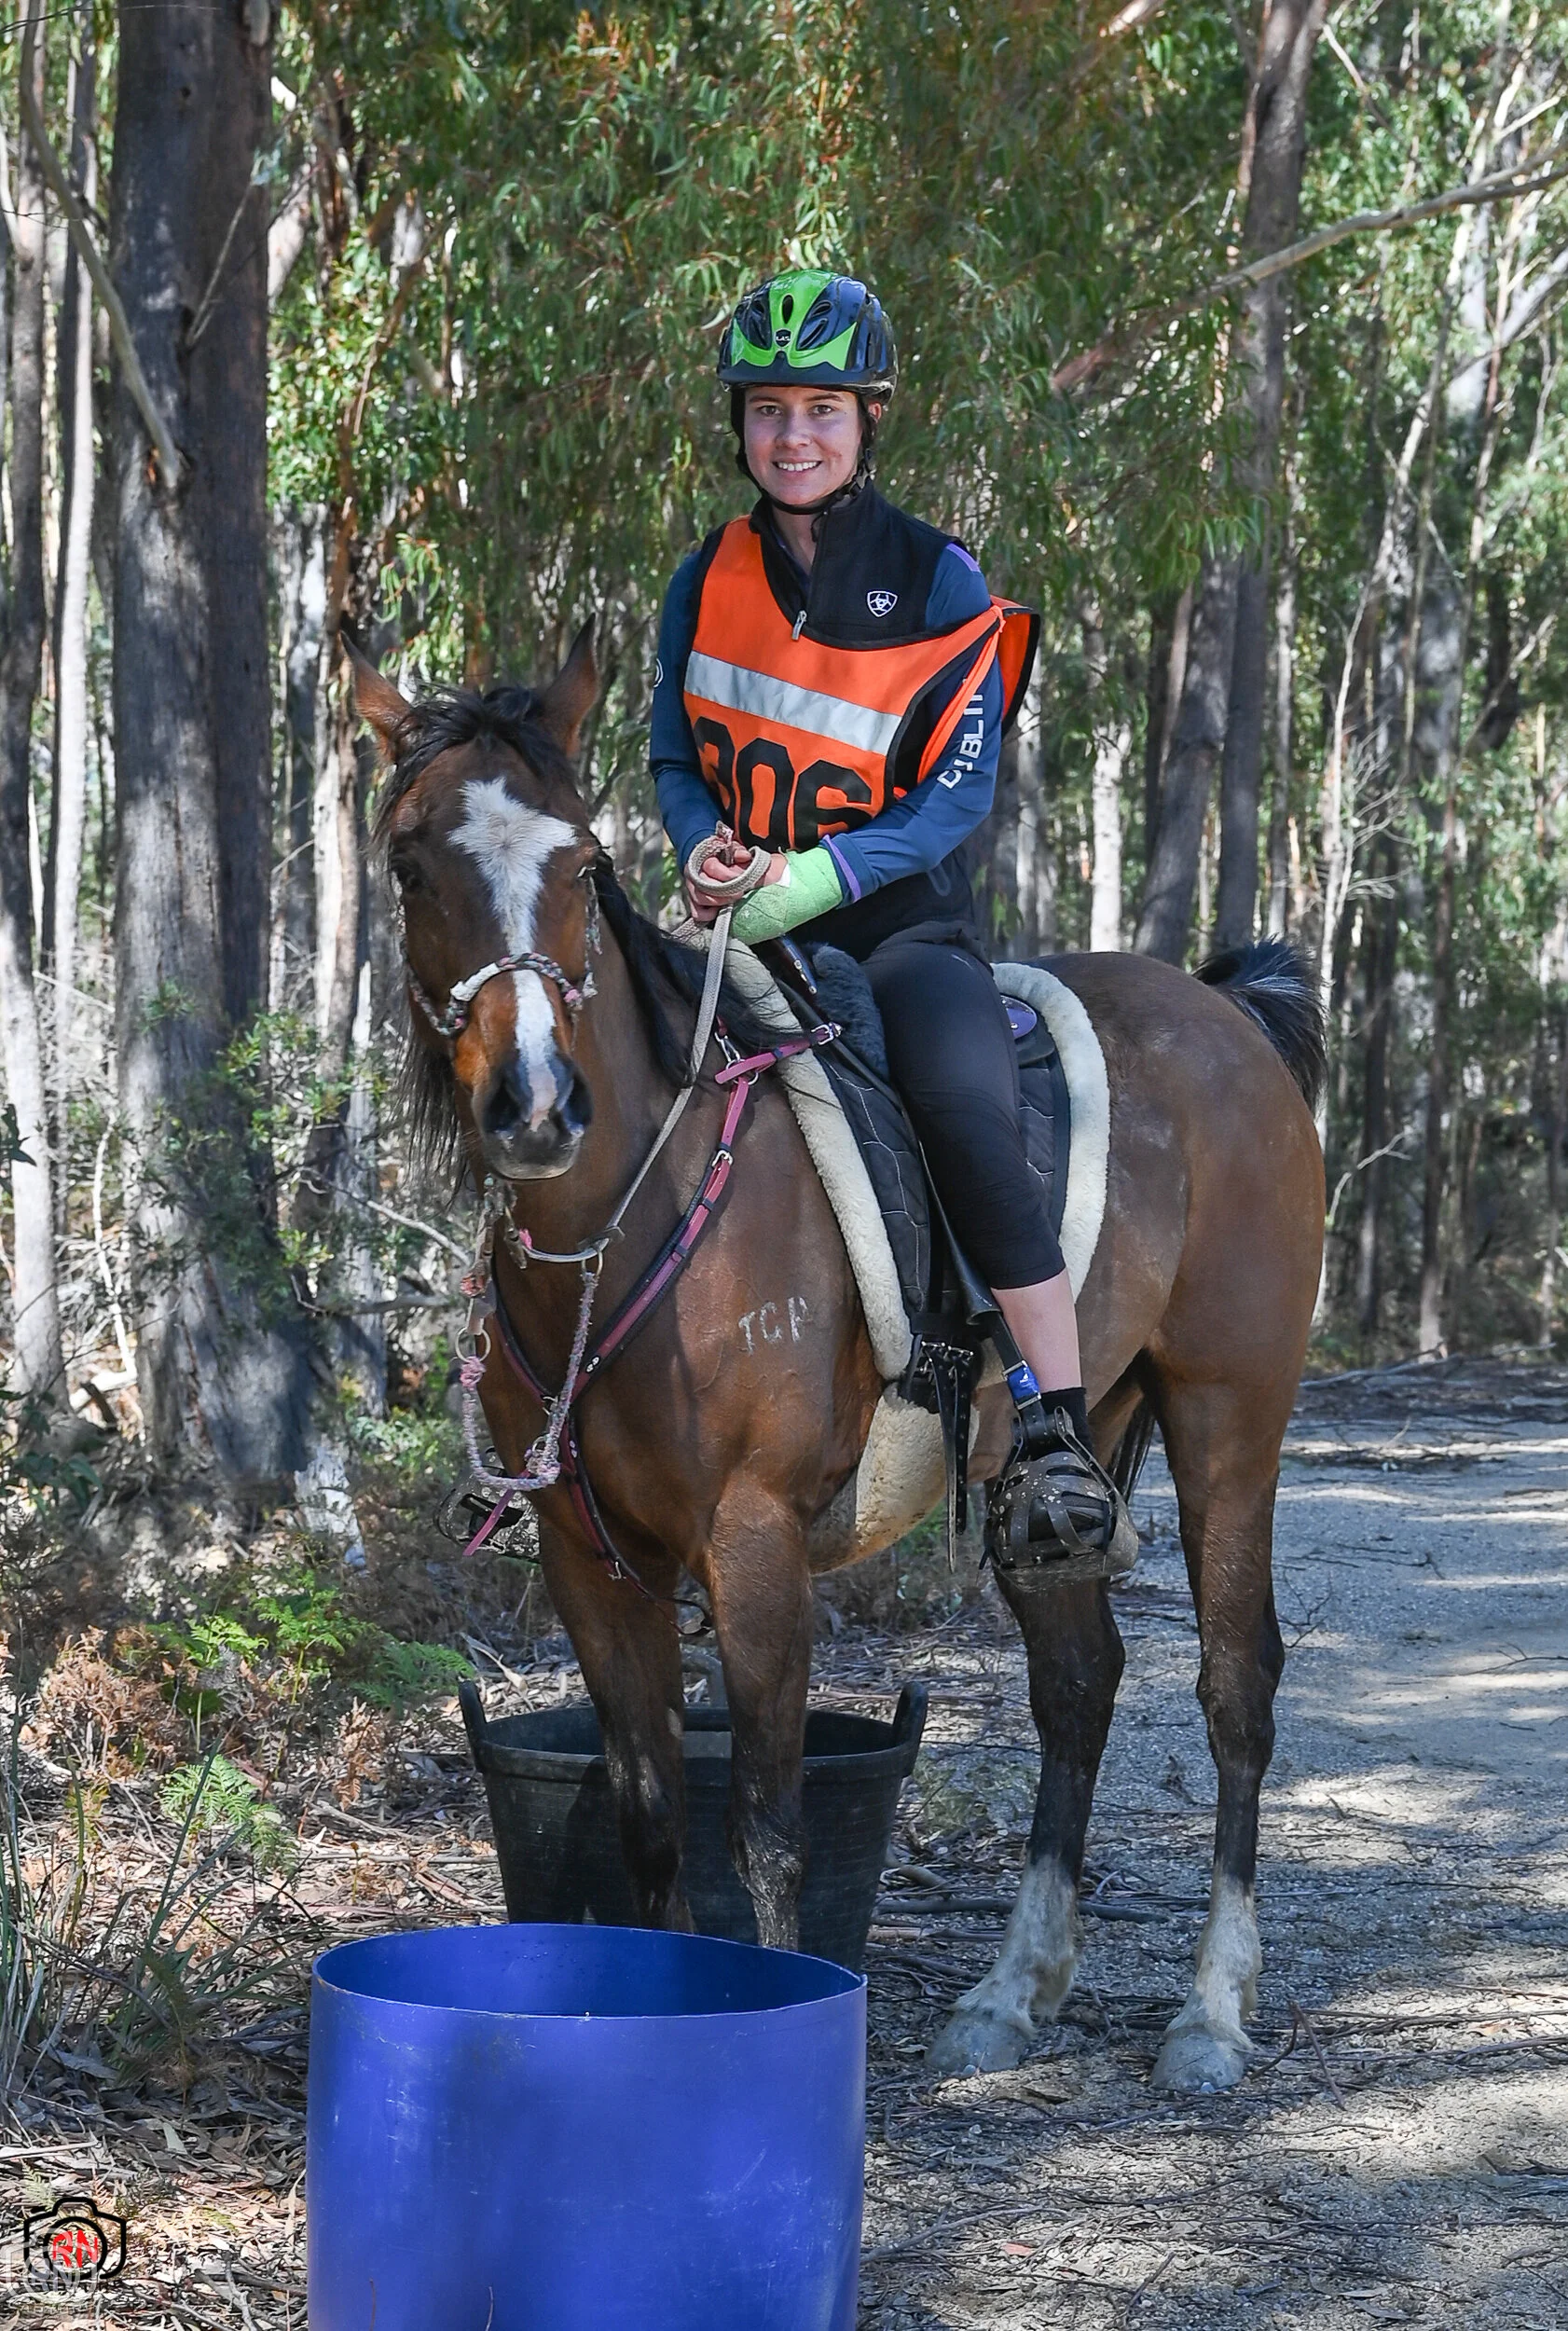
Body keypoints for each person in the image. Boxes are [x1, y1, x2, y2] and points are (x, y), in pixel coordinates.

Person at [650, 268, 1133, 1579]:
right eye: (765, 411)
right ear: (740, 426)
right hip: (742, 931)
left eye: (819, 409)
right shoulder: (706, 577)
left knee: (967, 1117)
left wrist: (820, 879)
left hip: (898, 934)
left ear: (868, 418)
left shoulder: (939, 577)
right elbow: (672, 757)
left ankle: (1052, 1432)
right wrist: (704, 845)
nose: (790, 436)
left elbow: (954, 793)